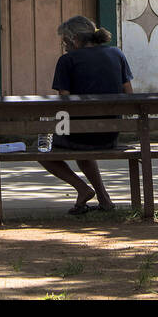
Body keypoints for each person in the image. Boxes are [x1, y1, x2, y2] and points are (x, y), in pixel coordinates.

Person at [39, 15, 133, 215]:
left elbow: (64, 103)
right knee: (82, 141)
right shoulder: (117, 54)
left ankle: (82, 188)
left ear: (74, 40)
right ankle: (104, 199)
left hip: (80, 134)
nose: (64, 47)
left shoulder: (67, 61)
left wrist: (58, 129)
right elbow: (129, 95)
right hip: (110, 135)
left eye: (64, 41)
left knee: (42, 151)